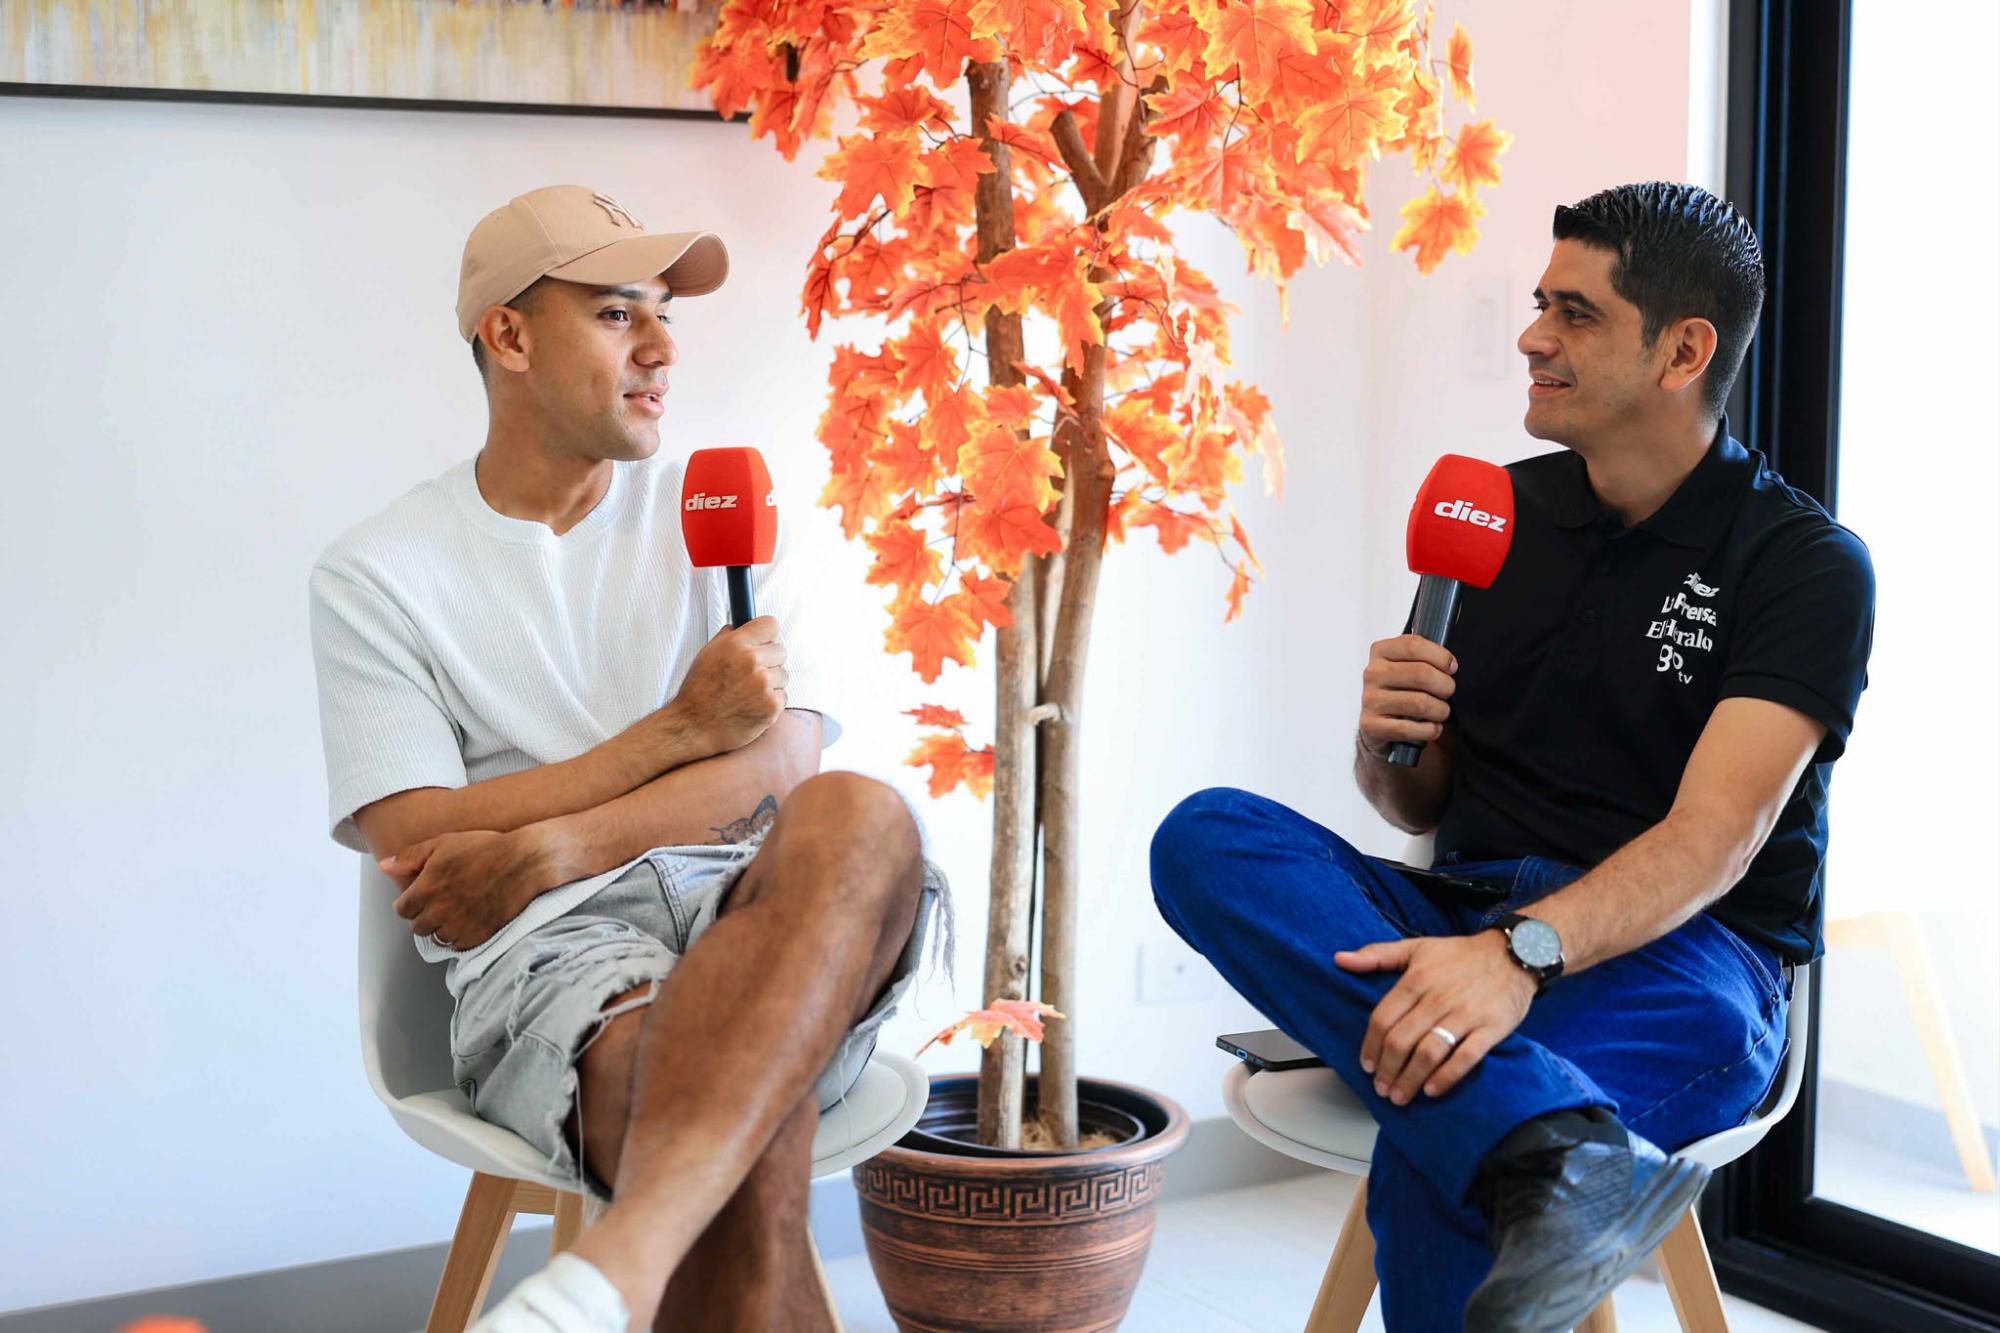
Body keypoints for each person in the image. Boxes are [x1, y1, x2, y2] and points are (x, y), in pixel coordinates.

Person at [1150, 182, 1874, 1333]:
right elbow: (1417, 801)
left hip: (1687, 961)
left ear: (1681, 350)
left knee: (1440, 1151)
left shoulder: (1800, 563)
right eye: (1540, 303)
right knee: (1204, 834)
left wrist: (1516, 956)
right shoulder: (1494, 513)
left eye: (1574, 314)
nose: (1532, 335)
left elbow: (1712, 843)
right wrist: (1387, 743)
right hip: (1462, 912)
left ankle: (1513, 1130)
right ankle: (1543, 1136)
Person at [308, 185, 946, 1333]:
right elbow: (414, 838)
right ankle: (629, 1269)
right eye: (614, 314)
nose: (660, 348)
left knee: (862, 810)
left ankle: (618, 1268)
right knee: (722, 1120)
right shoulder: (378, 571)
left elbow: (789, 765)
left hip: (764, 911)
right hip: (552, 959)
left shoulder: (725, 505)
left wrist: (550, 841)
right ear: (507, 335)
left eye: (662, 313)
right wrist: (683, 734)